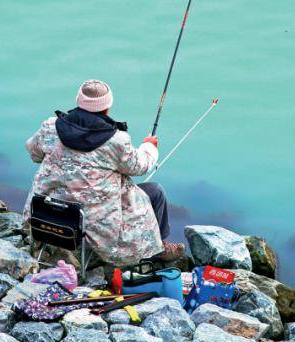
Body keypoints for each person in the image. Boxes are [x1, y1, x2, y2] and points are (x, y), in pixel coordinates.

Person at [24, 79, 184, 267]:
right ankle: (158, 248)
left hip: (45, 214)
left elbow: (34, 153)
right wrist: (149, 147)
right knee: (155, 192)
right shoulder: (117, 141)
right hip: (93, 227)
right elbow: (141, 167)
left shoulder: (50, 126)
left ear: (78, 101)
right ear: (107, 107)